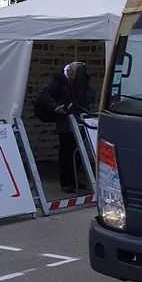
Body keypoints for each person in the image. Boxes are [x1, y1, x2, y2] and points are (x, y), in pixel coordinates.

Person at [36, 62, 95, 193]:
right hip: (65, 121)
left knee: (78, 152)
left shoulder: (81, 80)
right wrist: (56, 107)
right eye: (73, 77)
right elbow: (44, 93)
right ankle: (65, 182)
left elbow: (91, 94)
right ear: (69, 73)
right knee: (66, 152)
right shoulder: (57, 80)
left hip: (80, 119)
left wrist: (80, 103)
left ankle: (74, 179)